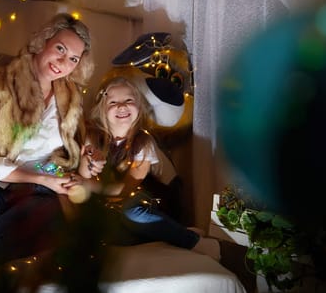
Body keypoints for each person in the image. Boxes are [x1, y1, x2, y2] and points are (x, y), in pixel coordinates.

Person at [0, 13, 94, 293]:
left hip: (42, 191)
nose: (64, 62)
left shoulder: (71, 97)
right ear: (43, 41)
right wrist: (37, 178)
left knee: (49, 215)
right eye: (60, 49)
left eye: (74, 58)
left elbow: (70, 154)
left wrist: (71, 168)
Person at [76, 76, 221, 260]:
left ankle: (193, 241)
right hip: (116, 199)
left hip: (157, 196)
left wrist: (93, 186)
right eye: (113, 102)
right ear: (102, 109)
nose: (122, 106)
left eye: (129, 100)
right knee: (106, 229)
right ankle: (168, 231)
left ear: (139, 106)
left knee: (131, 210)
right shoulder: (94, 138)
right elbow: (84, 178)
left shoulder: (143, 142)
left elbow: (129, 188)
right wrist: (86, 165)